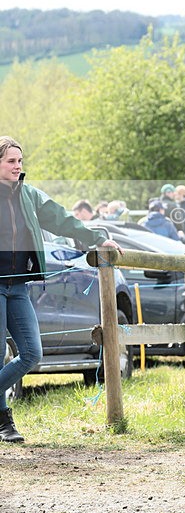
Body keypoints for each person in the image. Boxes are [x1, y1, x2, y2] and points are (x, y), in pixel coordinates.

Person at [0, 136, 122, 443]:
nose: (18, 166)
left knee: (31, 353)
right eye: (11, 161)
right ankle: (4, 423)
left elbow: (62, 219)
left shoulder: (27, 195)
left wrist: (97, 238)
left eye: (20, 160)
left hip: (17, 286)